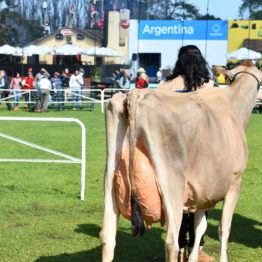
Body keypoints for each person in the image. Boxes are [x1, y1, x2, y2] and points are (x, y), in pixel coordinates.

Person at [159, 45, 215, 262]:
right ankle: (196, 250)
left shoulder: (164, 86)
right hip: (203, 154)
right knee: (200, 204)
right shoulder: (211, 87)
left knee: (176, 204)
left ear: (179, 61)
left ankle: (178, 249)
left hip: (170, 154)